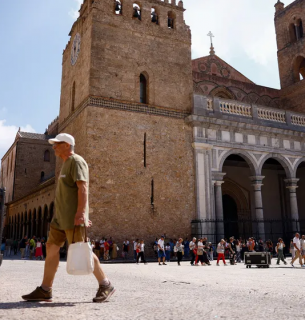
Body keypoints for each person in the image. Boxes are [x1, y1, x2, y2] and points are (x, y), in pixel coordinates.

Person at [22, 133, 114, 303]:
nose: (54, 147)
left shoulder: (76, 161)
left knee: (84, 250)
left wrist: (81, 213)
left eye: (57, 144)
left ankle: (105, 284)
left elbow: (83, 187)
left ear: (67, 145)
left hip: (73, 218)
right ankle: (45, 289)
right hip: (59, 219)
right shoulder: (64, 164)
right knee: (51, 248)